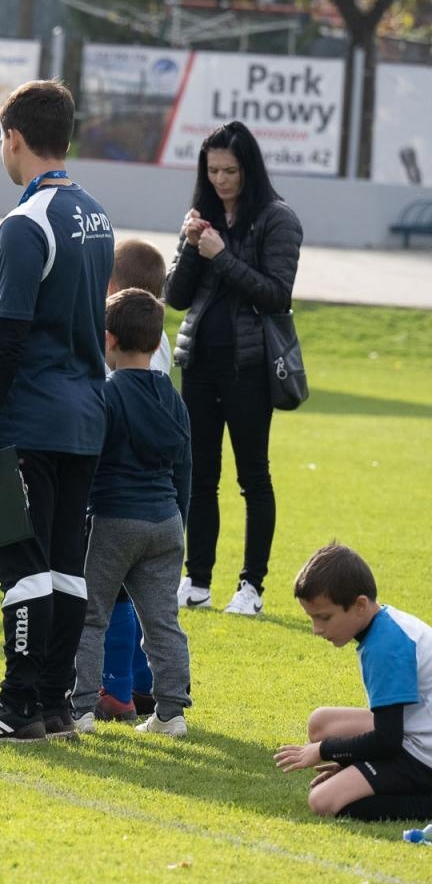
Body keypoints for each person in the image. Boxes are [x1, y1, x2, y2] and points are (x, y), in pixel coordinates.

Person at [0, 80, 114, 744]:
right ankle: (53, 705)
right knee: (65, 565)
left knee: (20, 564)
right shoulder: (96, 213)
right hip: (84, 416)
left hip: (31, 415)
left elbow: (8, 335)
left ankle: (16, 705)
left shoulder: (24, 222)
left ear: (12, 137)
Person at [166, 120, 302, 618]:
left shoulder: (276, 219)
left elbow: (276, 294)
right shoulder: (202, 216)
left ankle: (251, 587)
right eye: (213, 170)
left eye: (231, 170)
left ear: (250, 169)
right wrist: (188, 245)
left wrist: (220, 256)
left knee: (253, 477)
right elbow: (176, 297)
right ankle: (196, 579)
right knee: (199, 476)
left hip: (250, 368)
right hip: (199, 363)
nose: (222, 179)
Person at [71, 288, 193, 737]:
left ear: (108, 340)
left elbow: (90, 460)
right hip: (166, 521)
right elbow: (186, 466)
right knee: (162, 621)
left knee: (91, 615)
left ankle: (80, 708)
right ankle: (171, 713)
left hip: (115, 518)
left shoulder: (106, 394)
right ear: (158, 339)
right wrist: (179, 517)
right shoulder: (173, 396)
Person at [275, 542, 432, 822]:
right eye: (312, 618)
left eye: (324, 617)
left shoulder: (385, 647)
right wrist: (353, 761)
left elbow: (387, 741)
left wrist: (323, 751)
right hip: (414, 727)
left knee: (324, 800)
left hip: (423, 753)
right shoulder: (384, 623)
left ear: (359, 604)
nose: (316, 629)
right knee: (320, 723)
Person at [92, 239, 174, 722]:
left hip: (122, 497)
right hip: (161, 502)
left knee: (111, 598)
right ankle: (146, 689)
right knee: (151, 605)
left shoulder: (121, 368)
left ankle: (115, 690)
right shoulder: (157, 343)